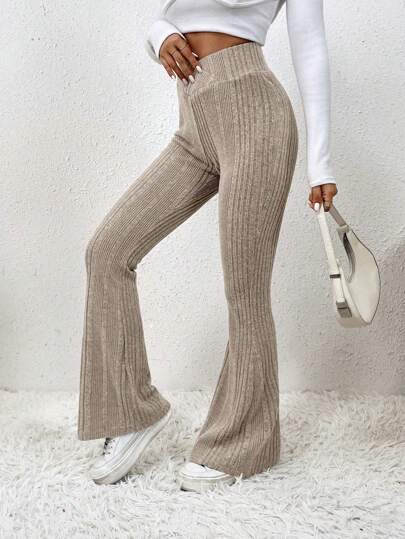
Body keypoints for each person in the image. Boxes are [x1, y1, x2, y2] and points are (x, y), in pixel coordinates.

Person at [77, 0, 338, 493]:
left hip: (254, 114)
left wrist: (320, 165)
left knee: (245, 291)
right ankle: (131, 412)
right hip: (194, 121)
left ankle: (243, 445)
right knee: (107, 251)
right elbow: (167, 15)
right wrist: (159, 37)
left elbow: (311, 47)